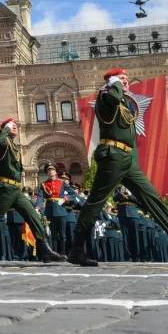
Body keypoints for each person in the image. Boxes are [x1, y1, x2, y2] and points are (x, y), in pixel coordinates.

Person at [70, 69, 168, 266]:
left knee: (152, 197)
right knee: (95, 203)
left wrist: (118, 86)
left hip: (126, 158)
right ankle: (77, 250)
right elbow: (112, 98)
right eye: (121, 79)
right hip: (112, 156)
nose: (126, 81)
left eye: (126, 79)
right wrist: (113, 84)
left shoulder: (123, 101)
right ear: (111, 81)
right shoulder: (106, 96)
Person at [0, 119, 64, 263]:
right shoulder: (3, 143)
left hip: (16, 189)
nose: (15, 127)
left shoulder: (13, 144)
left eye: (16, 126)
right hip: (5, 189)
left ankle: (45, 251)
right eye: (12, 126)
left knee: (34, 217)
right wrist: (5, 128)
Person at [40, 163, 70, 255]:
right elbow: (40, 197)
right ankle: (54, 254)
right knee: (52, 235)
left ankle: (63, 254)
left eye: (52, 170)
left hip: (61, 210)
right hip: (50, 211)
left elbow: (73, 194)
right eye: (49, 170)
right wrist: (37, 207)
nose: (50, 172)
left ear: (56, 172)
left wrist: (65, 198)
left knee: (62, 235)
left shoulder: (62, 182)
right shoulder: (44, 184)